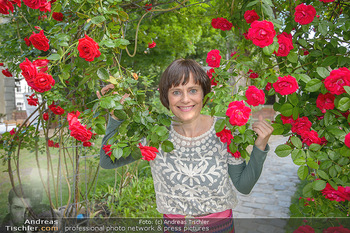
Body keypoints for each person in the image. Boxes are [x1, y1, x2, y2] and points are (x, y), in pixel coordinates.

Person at [98, 58, 274, 232]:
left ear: (203, 93)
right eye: (176, 92)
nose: (185, 99)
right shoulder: (154, 134)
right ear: (166, 96)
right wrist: (116, 116)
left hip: (220, 228)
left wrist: (259, 148)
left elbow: (244, 186)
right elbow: (108, 161)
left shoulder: (225, 131)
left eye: (192, 90)